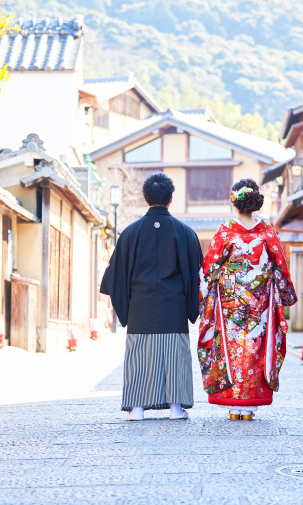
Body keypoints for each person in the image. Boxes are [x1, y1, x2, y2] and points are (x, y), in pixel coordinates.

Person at [101, 173, 203, 421]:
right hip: (174, 307)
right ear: (170, 199)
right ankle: (176, 408)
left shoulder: (130, 233)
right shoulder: (185, 232)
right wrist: (193, 305)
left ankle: (136, 408)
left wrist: (126, 305)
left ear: (146, 198)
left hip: (140, 307)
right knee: (175, 356)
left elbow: (116, 275)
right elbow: (197, 274)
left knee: (139, 357)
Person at [198, 178, 297, 420]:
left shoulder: (226, 230)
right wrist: (284, 292)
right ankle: (250, 405)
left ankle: (233, 404)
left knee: (231, 349)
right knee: (255, 348)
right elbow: (281, 266)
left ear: (234, 202)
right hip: (259, 304)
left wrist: (205, 292)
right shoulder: (267, 231)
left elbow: (210, 266)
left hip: (230, 303)